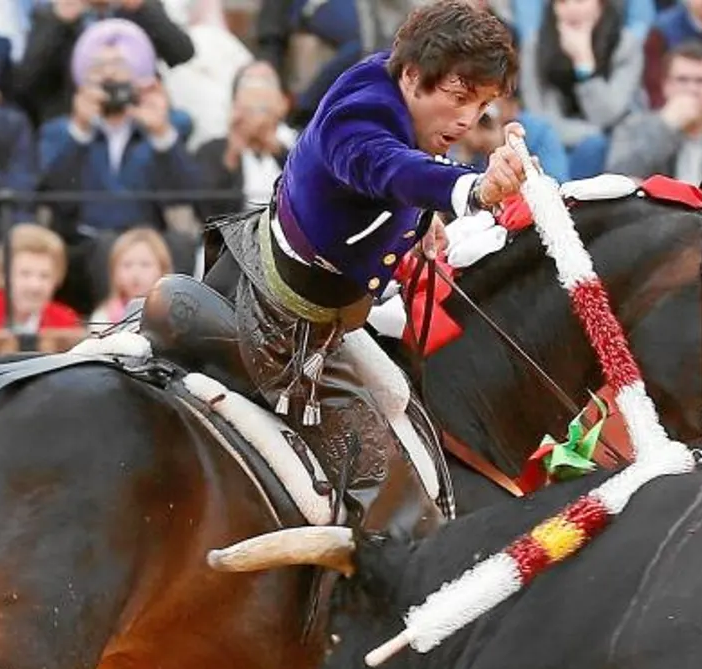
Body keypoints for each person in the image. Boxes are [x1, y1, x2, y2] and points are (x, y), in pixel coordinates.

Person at [200, 0, 527, 538]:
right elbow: (387, 166)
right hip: (284, 315)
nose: (470, 120)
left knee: (397, 399)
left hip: (325, 306)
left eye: (483, 104)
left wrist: (420, 222)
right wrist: (472, 189)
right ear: (415, 75)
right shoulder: (360, 112)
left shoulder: (402, 93)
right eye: (460, 98)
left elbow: (399, 176)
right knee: (381, 490)